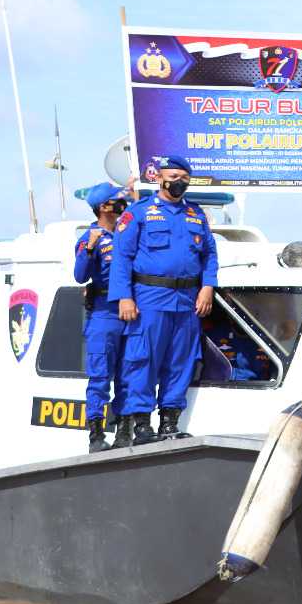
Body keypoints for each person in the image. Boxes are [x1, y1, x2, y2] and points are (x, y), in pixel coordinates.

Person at [109, 156, 219, 445]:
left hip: (187, 301)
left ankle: (169, 423)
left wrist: (208, 287)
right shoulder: (138, 213)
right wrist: (123, 297)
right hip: (149, 299)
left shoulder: (196, 215)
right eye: (173, 176)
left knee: (181, 362)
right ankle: (142, 425)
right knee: (144, 359)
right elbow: (122, 258)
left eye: (185, 177)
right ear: (159, 178)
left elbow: (209, 255)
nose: (179, 182)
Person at [73, 181, 134, 452]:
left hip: (131, 314)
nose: (123, 204)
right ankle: (96, 437)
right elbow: (79, 276)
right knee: (99, 377)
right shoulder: (90, 237)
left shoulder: (128, 233)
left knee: (129, 375)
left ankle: (125, 433)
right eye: (118, 201)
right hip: (104, 315)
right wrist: (89, 249)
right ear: (103, 208)